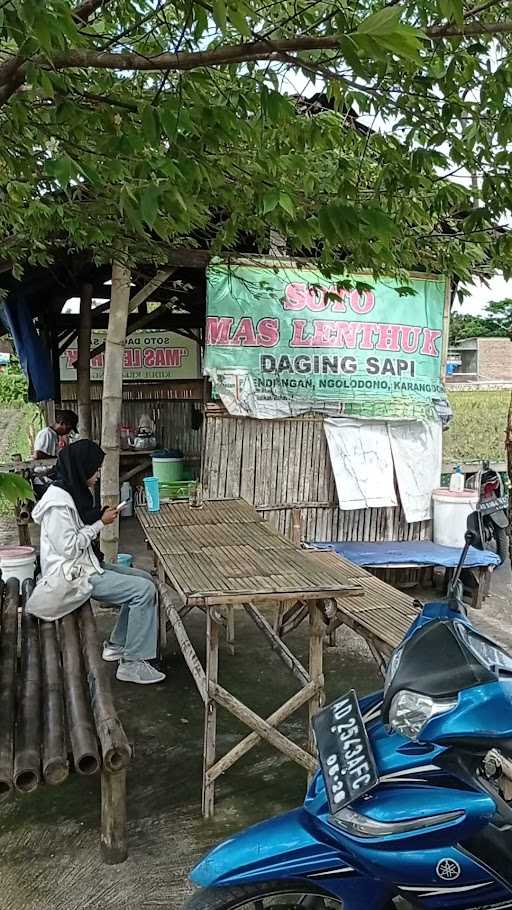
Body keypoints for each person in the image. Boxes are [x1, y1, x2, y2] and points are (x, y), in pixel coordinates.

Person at [31, 440, 165, 685]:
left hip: (85, 563)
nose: (97, 474)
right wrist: (100, 523)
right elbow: (69, 547)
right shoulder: (57, 503)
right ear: (81, 467)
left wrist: (100, 516)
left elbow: (82, 520)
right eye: (95, 469)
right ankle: (133, 664)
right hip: (71, 573)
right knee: (143, 591)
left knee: (145, 579)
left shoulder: (72, 490)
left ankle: (117, 645)